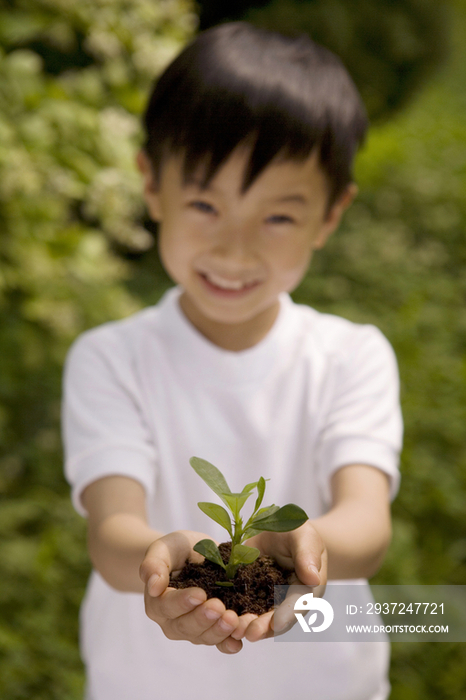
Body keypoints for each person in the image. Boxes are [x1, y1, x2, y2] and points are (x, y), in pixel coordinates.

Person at [63, 21, 403, 700]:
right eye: (204, 203)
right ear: (150, 184)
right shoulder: (110, 359)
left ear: (330, 215)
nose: (236, 249)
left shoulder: (351, 356)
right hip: (149, 683)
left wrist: (304, 547)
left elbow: (366, 523)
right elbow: (114, 533)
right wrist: (163, 562)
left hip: (325, 681)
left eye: (278, 216)